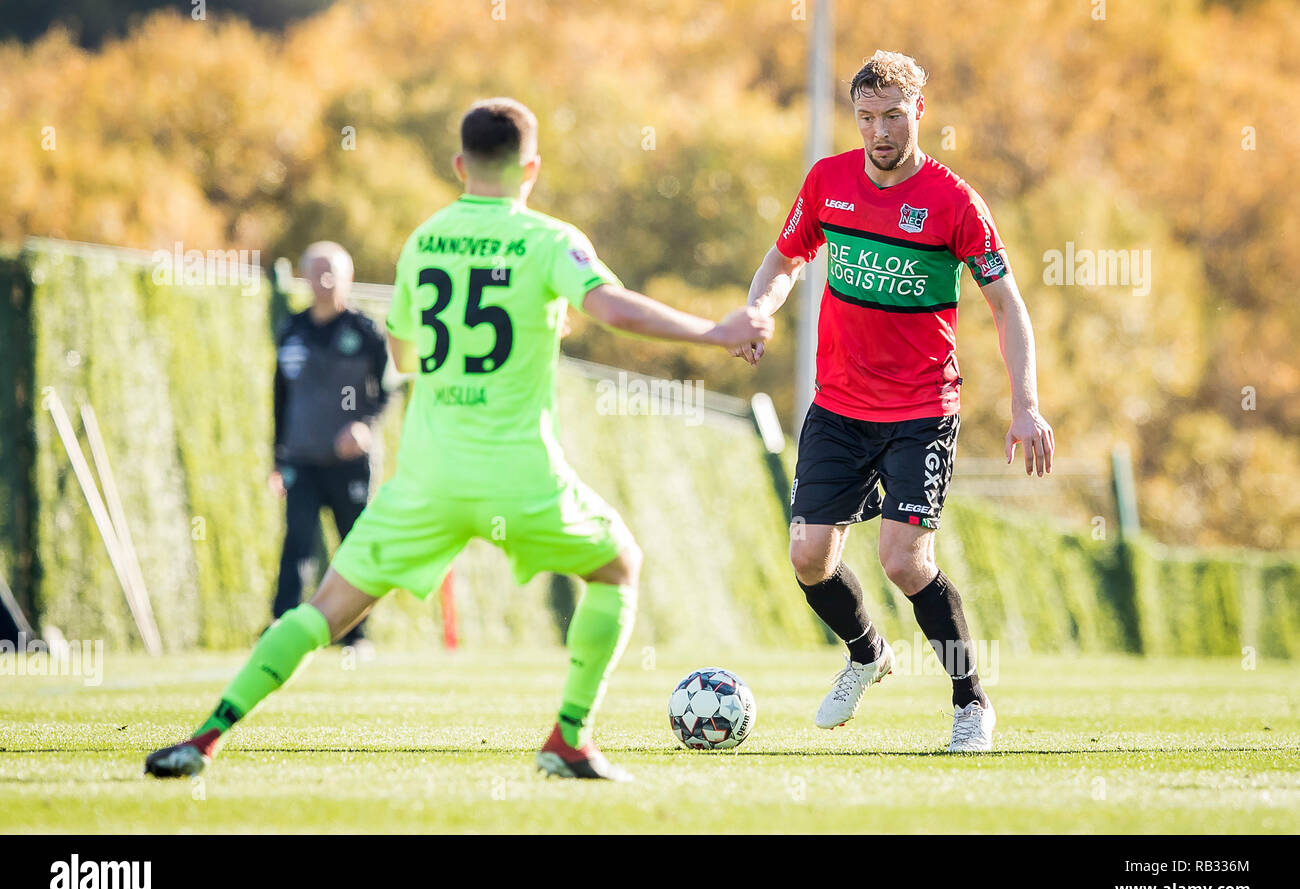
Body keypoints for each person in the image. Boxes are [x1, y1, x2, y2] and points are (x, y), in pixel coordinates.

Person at [145, 97, 773, 782]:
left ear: (458, 164)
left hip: (427, 477)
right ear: (531, 166)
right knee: (618, 565)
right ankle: (569, 736)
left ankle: (208, 735)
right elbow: (610, 307)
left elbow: (405, 351)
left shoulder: (425, 240)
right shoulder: (548, 238)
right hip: (519, 475)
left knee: (323, 609)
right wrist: (714, 331)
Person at [735, 50, 1055, 752]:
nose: (879, 131)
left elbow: (1007, 307)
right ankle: (868, 653)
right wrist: (758, 310)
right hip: (839, 406)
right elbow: (784, 258)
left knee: (905, 560)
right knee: (809, 558)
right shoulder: (828, 182)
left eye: (892, 116)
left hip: (920, 409)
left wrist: (1025, 404)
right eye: (867, 117)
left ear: (919, 113)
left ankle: (971, 705)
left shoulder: (954, 202)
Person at [270, 241, 389, 649]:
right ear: (303, 277)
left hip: (350, 464)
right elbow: (280, 396)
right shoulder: (292, 330)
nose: (322, 281)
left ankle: (354, 636)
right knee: (297, 544)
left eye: (330, 272)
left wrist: (364, 425)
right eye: (315, 272)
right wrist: (277, 456)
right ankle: (280, 628)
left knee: (353, 549)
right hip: (302, 459)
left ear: (347, 277)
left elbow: (385, 393)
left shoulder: (365, 332)